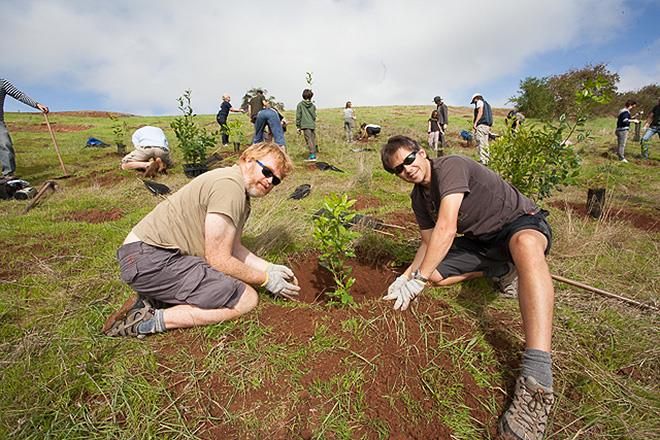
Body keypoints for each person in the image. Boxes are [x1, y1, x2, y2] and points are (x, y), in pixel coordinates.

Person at [380, 135, 555, 440]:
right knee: (435, 275)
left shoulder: (451, 166)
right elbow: (428, 242)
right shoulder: (418, 198)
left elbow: (447, 228)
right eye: (398, 170)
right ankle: (501, 268)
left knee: (525, 244)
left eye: (409, 160)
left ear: (422, 153)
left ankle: (537, 374)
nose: (406, 170)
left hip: (519, 225)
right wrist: (407, 276)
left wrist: (417, 280)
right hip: (482, 244)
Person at [103, 142, 299, 338]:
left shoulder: (235, 187)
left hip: (149, 256)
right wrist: (265, 280)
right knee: (246, 299)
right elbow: (219, 259)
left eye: (276, 180)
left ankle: (154, 298)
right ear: (247, 160)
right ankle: (148, 321)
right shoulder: (230, 187)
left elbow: (234, 248)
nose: (269, 181)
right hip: (149, 258)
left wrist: (269, 268)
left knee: (227, 279)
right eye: (267, 171)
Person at [0, 78, 49, 178]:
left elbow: (19, 95)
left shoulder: (2, 83)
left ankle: (8, 175)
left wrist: (36, 104)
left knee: (5, 143)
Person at [296, 89, 318, 161]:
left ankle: (312, 156)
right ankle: (314, 154)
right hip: (312, 124)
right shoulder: (313, 105)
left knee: (309, 140)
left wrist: (298, 126)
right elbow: (314, 116)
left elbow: (298, 116)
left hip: (305, 125)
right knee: (312, 139)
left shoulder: (300, 105)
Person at [471, 93, 493, 165]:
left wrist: (475, 123)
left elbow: (480, 112)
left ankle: (483, 161)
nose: (474, 103)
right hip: (487, 126)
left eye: (474, 101)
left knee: (480, 142)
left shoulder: (479, 102)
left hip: (481, 125)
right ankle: (486, 160)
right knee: (485, 143)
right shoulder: (487, 105)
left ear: (476, 98)